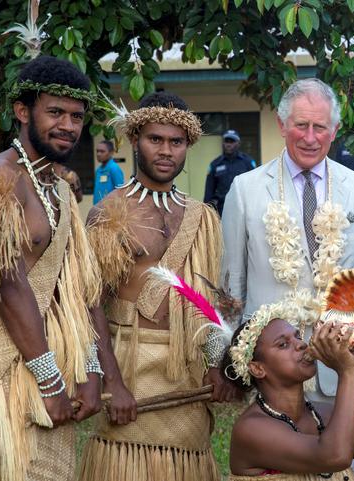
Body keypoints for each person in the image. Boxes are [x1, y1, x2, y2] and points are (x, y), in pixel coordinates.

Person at [79, 91, 236, 481]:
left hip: (185, 370)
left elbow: (206, 300)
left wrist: (216, 365)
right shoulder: (108, 212)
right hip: (129, 365)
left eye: (176, 142)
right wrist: (110, 382)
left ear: (188, 146)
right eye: (155, 140)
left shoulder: (202, 217)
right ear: (135, 141)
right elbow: (87, 305)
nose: (166, 151)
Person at [0, 55, 102, 480]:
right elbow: (9, 286)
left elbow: (75, 288)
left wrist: (90, 369)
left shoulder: (57, 189)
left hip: (50, 362)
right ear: (23, 112)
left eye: (76, 116)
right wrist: (50, 381)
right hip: (1, 370)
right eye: (55, 112)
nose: (68, 125)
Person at [221, 78, 354, 403]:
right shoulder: (245, 189)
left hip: (338, 364)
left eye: (320, 127)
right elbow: (231, 285)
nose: (310, 138)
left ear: (334, 130)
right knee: (274, 453)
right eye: (301, 125)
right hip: (270, 370)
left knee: (339, 453)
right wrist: (228, 359)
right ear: (282, 124)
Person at [223, 298, 354, 480]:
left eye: (298, 336)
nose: (301, 344)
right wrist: (347, 372)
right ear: (258, 369)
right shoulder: (251, 429)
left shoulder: (323, 414)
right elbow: (334, 456)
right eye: (283, 344)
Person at [204, 129, 256, 215]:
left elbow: (255, 186)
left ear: (238, 143)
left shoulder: (248, 162)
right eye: (226, 141)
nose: (228, 144)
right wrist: (207, 211)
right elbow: (209, 191)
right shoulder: (215, 164)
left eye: (232, 141)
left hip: (244, 208)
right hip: (222, 210)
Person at [93, 139, 124, 204]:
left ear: (111, 153)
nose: (98, 154)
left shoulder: (114, 168)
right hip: (98, 210)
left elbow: (120, 192)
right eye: (97, 151)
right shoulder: (98, 170)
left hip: (110, 211)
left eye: (102, 151)